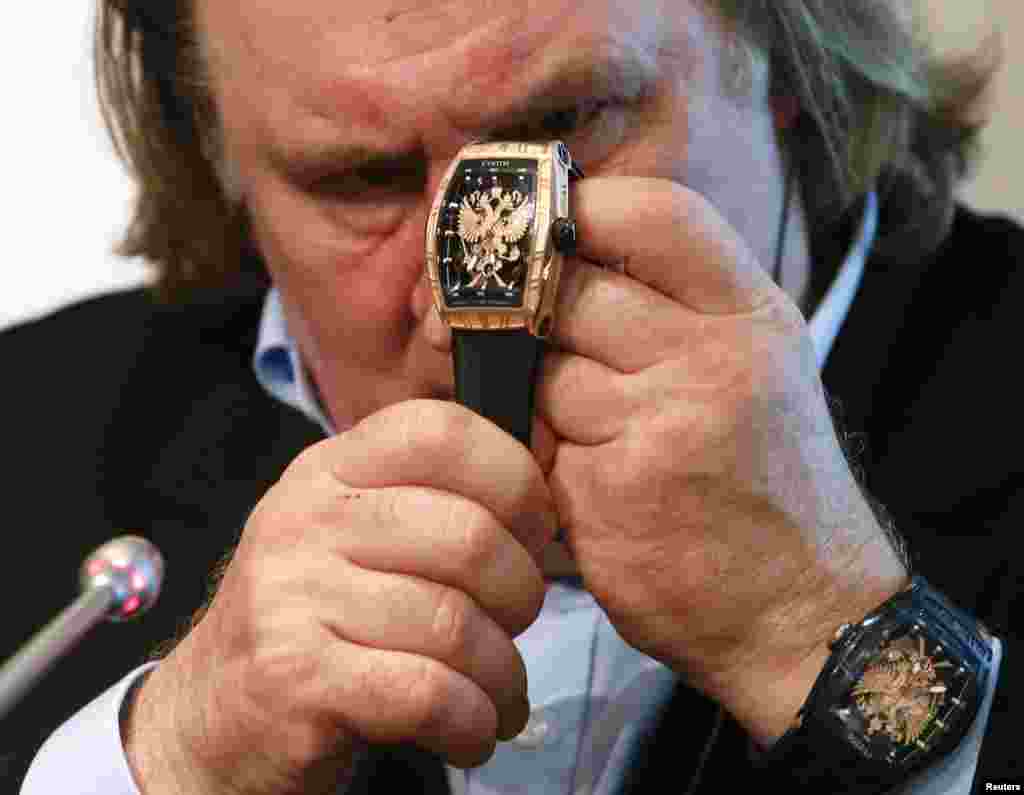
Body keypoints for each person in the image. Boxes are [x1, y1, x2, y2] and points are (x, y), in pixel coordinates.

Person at [1, 0, 1018, 792]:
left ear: (784, 61)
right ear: (215, 159)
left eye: (559, 125)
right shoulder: (31, 428)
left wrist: (823, 633)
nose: (472, 303)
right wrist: (166, 766)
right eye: (362, 179)